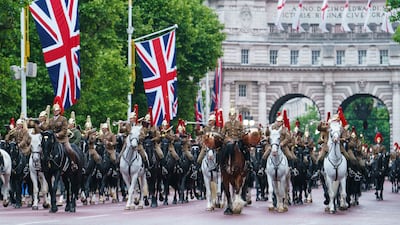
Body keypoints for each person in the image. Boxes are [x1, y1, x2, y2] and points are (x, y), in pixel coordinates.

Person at [48, 101, 78, 171]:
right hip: (53, 139)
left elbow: (64, 130)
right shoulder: (50, 120)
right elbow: (48, 128)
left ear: (59, 111)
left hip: (62, 139)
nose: (55, 112)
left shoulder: (63, 119)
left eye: (57, 110)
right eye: (54, 111)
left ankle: (74, 163)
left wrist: (58, 134)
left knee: (69, 149)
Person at [138, 113, 156, 177]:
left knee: (160, 154)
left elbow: (156, 135)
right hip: (140, 143)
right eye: (146, 118)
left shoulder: (152, 126)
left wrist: (151, 139)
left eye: (148, 118)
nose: (147, 119)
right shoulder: (141, 126)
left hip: (150, 143)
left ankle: (147, 169)